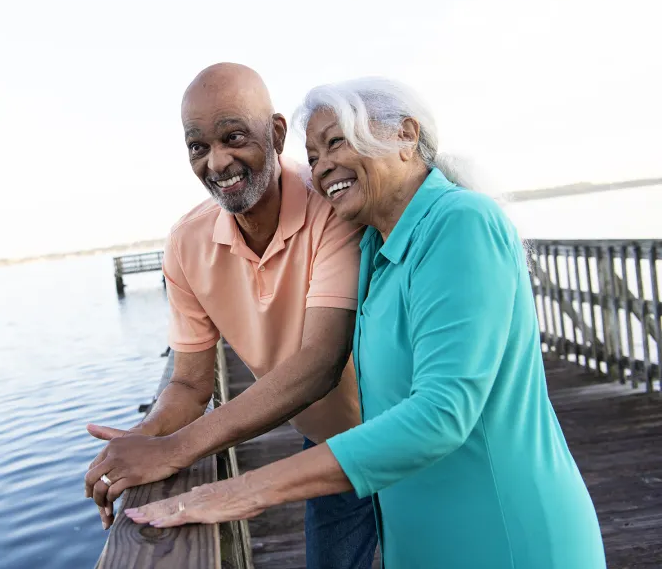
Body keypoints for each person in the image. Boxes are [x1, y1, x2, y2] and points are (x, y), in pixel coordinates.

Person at [121, 76, 608, 569]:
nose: (322, 166)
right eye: (312, 156)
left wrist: (243, 491)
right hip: (423, 536)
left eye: (337, 142)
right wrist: (149, 440)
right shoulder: (375, 249)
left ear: (405, 136)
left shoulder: (462, 221)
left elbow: (442, 413)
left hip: (504, 535)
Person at [84, 63, 378, 569]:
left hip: (403, 431)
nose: (217, 162)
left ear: (278, 134)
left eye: (233, 137)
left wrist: (179, 449)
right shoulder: (186, 244)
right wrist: (146, 438)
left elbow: (320, 363)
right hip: (330, 446)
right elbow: (190, 385)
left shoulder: (331, 201)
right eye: (198, 147)